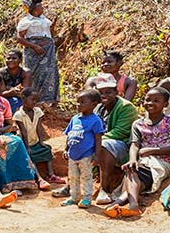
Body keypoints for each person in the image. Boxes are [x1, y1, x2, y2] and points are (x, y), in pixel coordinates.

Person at [105, 87, 170, 218]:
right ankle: (128, 203)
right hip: (143, 160)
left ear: (166, 105)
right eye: (147, 100)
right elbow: (134, 145)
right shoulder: (138, 124)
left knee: (140, 172)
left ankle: (126, 203)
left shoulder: (168, 122)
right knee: (132, 169)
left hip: (163, 161)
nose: (150, 103)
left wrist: (151, 150)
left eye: (156, 100)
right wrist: (132, 159)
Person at [0, 72, 42, 195]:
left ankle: (22, 180)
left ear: (0, 85)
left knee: (17, 141)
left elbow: (10, 124)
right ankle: (5, 184)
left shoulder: (4, 102)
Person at [93, 73, 141, 205]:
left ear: (116, 91)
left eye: (108, 92)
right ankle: (71, 187)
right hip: (102, 142)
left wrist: (94, 142)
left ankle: (105, 189)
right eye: (101, 92)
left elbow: (120, 132)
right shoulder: (98, 107)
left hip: (123, 147)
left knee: (104, 145)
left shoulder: (126, 107)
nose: (104, 95)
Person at [62, 90, 106, 209]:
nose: (78, 105)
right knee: (73, 176)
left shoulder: (95, 120)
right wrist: (66, 148)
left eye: (82, 102)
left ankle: (87, 198)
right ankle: (74, 196)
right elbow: (70, 134)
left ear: (93, 104)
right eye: (77, 102)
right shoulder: (75, 118)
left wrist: (97, 155)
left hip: (86, 155)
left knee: (86, 176)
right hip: (73, 154)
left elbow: (98, 139)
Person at [13, 88, 63, 185]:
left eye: (36, 99)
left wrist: (41, 142)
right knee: (29, 155)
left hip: (35, 142)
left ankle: (51, 175)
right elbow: (23, 132)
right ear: (23, 98)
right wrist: (27, 147)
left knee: (47, 149)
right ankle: (39, 178)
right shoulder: (19, 115)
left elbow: (39, 127)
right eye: (33, 99)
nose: (35, 102)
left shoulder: (37, 111)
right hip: (24, 143)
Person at [16, 0, 59, 105]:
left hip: (48, 51)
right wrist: (34, 46)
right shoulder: (26, 21)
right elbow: (19, 38)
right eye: (40, 6)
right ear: (34, 9)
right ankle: (34, 100)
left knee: (49, 73)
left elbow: (50, 34)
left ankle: (49, 100)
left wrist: (53, 27)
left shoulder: (45, 19)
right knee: (34, 75)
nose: (42, 8)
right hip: (34, 52)